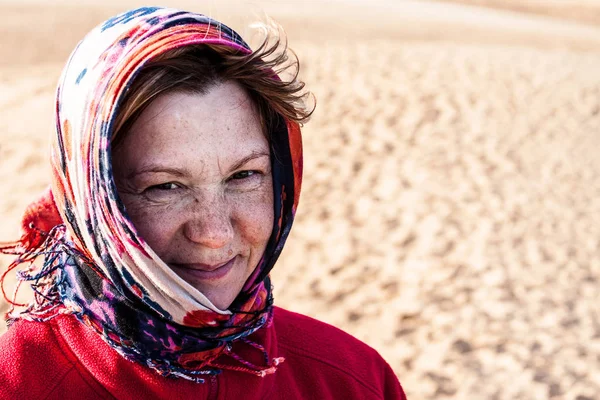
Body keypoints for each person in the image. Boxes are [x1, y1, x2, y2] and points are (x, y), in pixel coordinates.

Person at [0, 7, 406, 399]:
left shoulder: (353, 380)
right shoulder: (18, 385)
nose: (214, 234)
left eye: (244, 176)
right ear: (92, 199)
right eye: (165, 187)